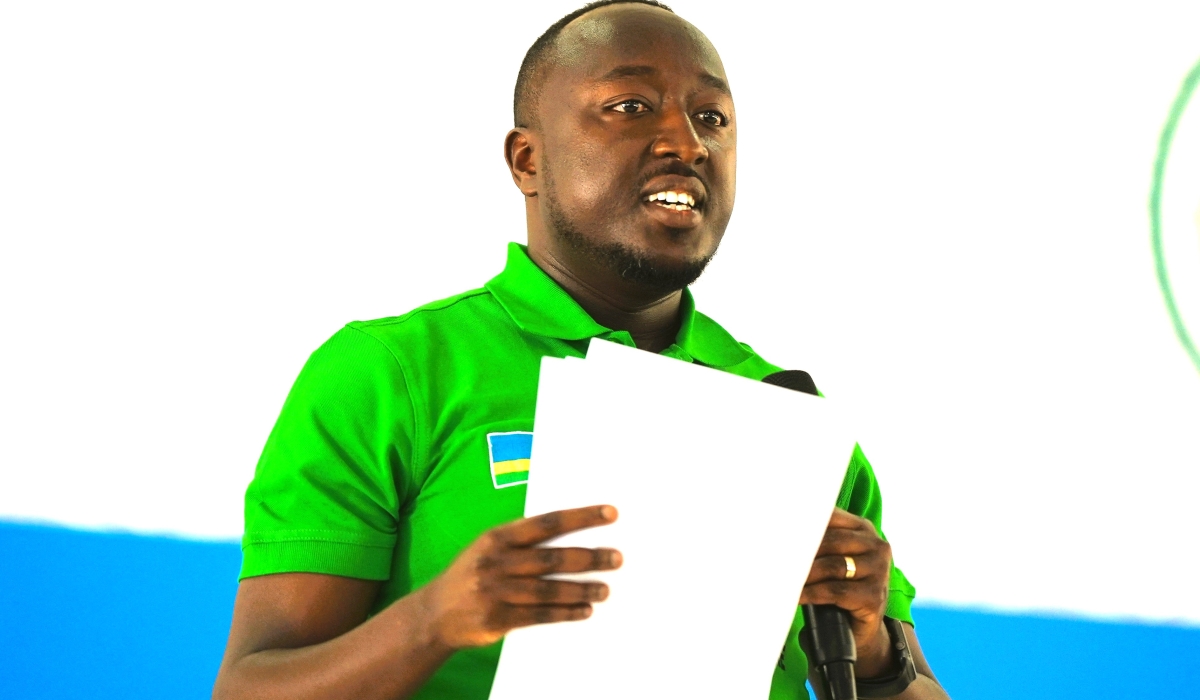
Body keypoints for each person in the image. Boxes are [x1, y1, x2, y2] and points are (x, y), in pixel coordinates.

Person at [212, 2, 950, 698]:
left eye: (712, 118)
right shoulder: (393, 372)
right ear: (527, 161)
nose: (688, 143)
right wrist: (434, 620)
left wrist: (878, 650)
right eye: (631, 107)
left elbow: (912, 682)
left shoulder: (788, 415)